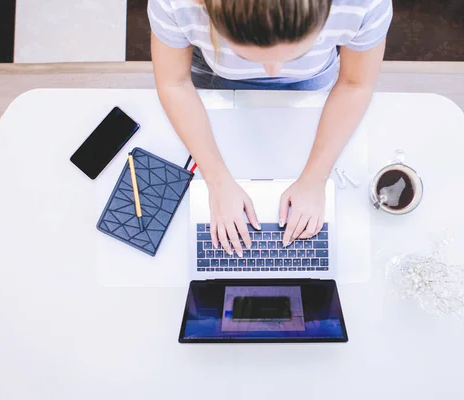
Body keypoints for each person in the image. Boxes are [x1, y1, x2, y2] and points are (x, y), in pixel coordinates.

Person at [148, 0, 393, 256]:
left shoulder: (364, 4)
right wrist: (217, 181)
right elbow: (174, 84)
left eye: (297, 54)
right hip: (216, 81)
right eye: (245, 55)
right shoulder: (175, 4)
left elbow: (355, 84)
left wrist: (315, 179)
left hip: (311, 85)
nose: (272, 72)